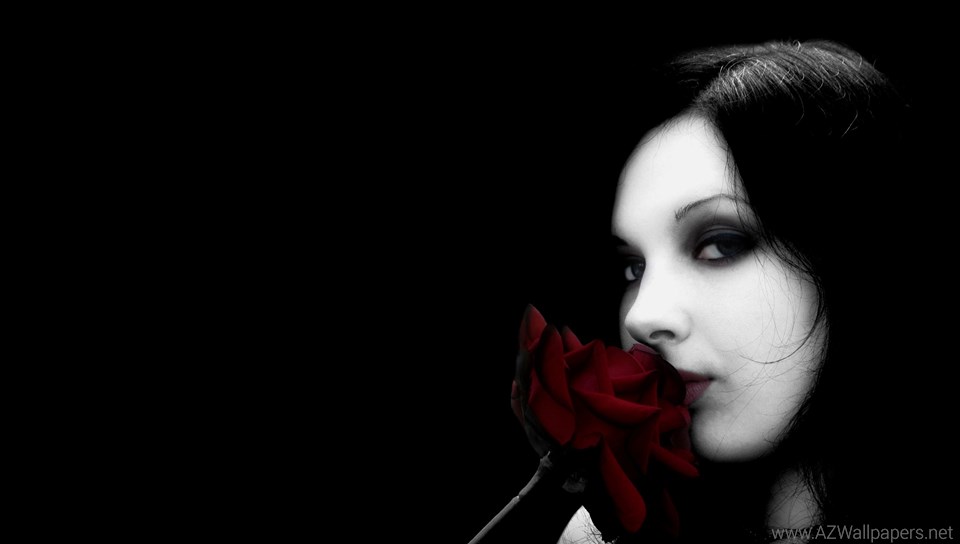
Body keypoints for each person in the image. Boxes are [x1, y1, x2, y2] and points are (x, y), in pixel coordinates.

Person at [477, 39, 957, 544]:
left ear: (856, 254)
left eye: (721, 244)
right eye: (634, 268)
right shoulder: (601, 537)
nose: (641, 316)